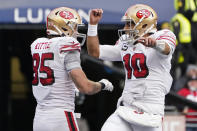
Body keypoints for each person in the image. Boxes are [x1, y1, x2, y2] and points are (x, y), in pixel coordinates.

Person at [87, 4, 176, 131]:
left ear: (144, 25)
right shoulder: (126, 42)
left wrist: (154, 44)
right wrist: (92, 25)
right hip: (126, 108)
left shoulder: (163, 35)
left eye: (130, 24)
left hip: (150, 111)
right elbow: (95, 52)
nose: (125, 28)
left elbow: (167, 49)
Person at [31, 7, 114, 131]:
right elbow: (86, 87)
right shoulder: (67, 44)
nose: (76, 30)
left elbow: (57, 73)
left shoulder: (38, 44)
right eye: (74, 26)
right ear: (64, 27)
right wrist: (102, 84)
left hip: (39, 118)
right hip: (61, 117)